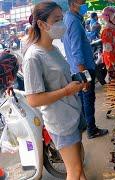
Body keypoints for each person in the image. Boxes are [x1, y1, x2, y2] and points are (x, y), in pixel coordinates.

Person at [22, 2, 86, 179]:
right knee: (74, 171)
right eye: (56, 20)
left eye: (61, 19)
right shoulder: (33, 57)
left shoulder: (54, 48)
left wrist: (75, 83)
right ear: (42, 24)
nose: (62, 24)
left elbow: (59, 80)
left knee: (79, 165)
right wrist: (66, 91)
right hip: (60, 121)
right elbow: (33, 99)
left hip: (72, 112)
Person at [63, 0, 108, 139]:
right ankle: (92, 130)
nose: (84, 5)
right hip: (83, 69)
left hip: (77, 68)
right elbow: (76, 51)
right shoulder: (74, 22)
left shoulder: (70, 19)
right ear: (72, 3)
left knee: (83, 100)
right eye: (81, 2)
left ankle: (86, 126)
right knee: (88, 99)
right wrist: (85, 76)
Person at [101, 7, 115, 80]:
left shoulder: (114, 29)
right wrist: (114, 64)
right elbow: (108, 51)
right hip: (112, 63)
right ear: (109, 18)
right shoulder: (107, 31)